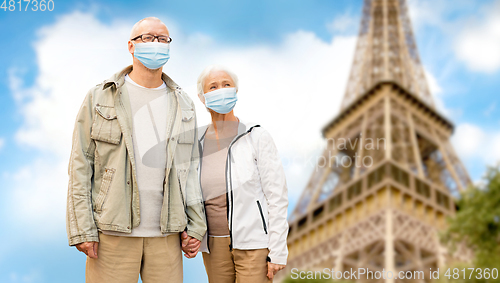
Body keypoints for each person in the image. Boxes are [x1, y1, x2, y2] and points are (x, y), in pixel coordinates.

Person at [66, 17, 206, 283]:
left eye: (162, 39)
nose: (156, 43)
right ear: (131, 46)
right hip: (112, 235)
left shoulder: (184, 103)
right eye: (148, 38)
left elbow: (190, 170)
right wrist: (82, 229)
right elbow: (80, 165)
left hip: (168, 235)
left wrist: (196, 225)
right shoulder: (99, 97)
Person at [181, 65, 289, 282]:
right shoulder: (194, 143)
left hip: (253, 244)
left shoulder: (256, 136)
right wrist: (188, 233)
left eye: (226, 84)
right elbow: (187, 195)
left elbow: (276, 196)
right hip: (214, 246)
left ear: (236, 92)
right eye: (213, 86)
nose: (221, 90)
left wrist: (278, 250)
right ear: (202, 98)